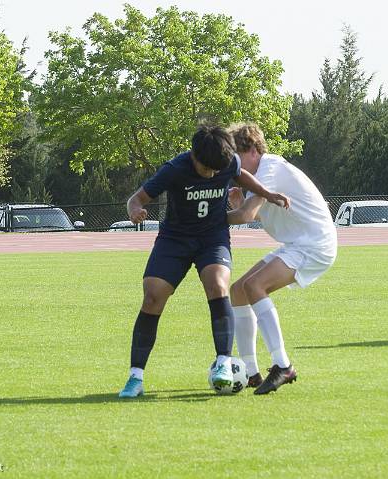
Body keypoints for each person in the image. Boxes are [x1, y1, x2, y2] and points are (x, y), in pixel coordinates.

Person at [119, 124, 290, 398]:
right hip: (175, 239)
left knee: (218, 285)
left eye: (216, 170)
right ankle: (135, 378)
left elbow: (241, 175)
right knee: (152, 297)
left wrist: (267, 194)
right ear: (194, 157)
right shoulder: (174, 169)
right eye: (207, 169)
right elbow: (136, 198)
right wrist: (135, 210)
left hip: (212, 237)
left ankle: (223, 361)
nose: (212, 174)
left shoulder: (226, 160)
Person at [226, 123, 337, 395]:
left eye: (234, 157)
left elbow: (246, 216)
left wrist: (201, 220)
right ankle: (250, 372)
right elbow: (248, 212)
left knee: (254, 287)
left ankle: (283, 365)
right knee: (238, 291)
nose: (231, 166)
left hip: (314, 244)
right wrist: (238, 204)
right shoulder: (255, 178)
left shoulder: (269, 168)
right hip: (298, 243)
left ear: (252, 150)